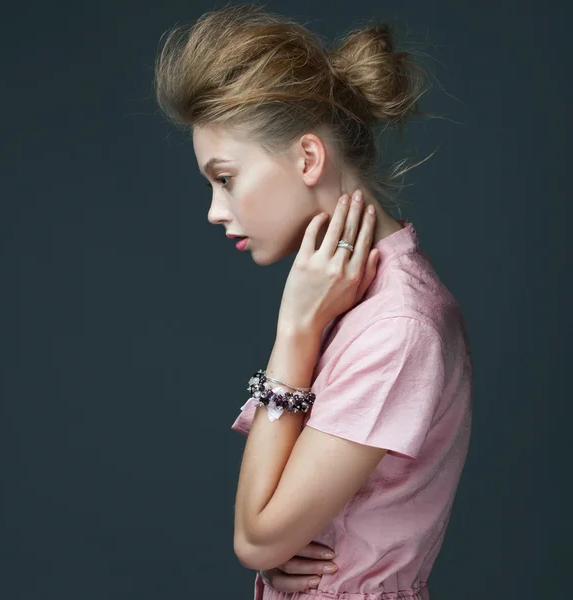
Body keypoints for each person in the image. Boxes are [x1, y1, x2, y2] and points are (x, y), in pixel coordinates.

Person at [154, 5, 472, 600]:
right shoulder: (354, 298)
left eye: (225, 177)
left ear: (307, 158)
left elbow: (256, 537)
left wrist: (294, 332)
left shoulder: (398, 325)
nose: (215, 210)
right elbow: (276, 533)